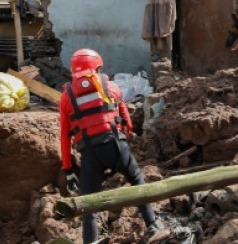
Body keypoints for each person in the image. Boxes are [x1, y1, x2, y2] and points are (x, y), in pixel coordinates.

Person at [59, 49, 164, 243]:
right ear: (96, 66)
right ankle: (153, 225)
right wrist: (122, 140)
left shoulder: (66, 97)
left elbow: (65, 137)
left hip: (90, 154)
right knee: (136, 181)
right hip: (116, 146)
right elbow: (127, 122)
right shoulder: (112, 87)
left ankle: (90, 241)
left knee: (88, 203)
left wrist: (68, 170)